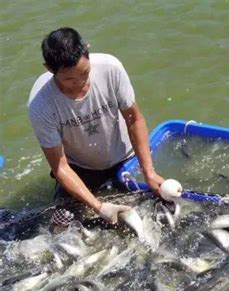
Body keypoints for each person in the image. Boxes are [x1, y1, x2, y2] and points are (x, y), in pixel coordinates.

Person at [28, 27, 165, 227]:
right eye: (69, 79)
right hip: (81, 169)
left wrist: (149, 171)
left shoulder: (111, 68)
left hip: (126, 159)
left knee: (161, 204)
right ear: (49, 69)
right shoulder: (40, 104)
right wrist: (99, 207)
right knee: (61, 224)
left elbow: (134, 119)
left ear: (88, 50)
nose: (80, 83)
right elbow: (60, 166)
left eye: (84, 73)